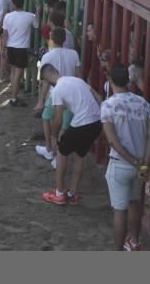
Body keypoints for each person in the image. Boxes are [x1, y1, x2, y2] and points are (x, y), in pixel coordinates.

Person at [101, 64, 150, 251]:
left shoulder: (108, 105)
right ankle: (134, 242)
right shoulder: (143, 103)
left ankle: (118, 251)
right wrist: (144, 163)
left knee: (120, 210)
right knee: (134, 203)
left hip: (120, 164)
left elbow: (112, 141)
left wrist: (132, 160)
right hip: (139, 166)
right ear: (128, 80)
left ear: (110, 80)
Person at [40, 64, 103, 205]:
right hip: (96, 122)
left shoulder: (57, 90)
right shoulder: (77, 80)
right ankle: (73, 193)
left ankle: (59, 193)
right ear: (57, 71)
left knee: (62, 153)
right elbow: (98, 98)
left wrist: (54, 136)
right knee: (80, 155)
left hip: (81, 122)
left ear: (46, 80)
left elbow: (58, 118)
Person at [36, 27, 81, 164]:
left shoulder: (47, 56)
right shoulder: (74, 54)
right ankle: (58, 154)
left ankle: (50, 149)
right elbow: (79, 76)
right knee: (65, 126)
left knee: (46, 118)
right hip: (72, 93)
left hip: (54, 93)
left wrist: (40, 101)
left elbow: (45, 82)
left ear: (52, 39)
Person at [1, 0, 38, 107]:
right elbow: (37, 25)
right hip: (22, 49)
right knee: (18, 74)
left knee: (13, 72)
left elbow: (5, 35)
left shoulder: (8, 16)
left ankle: (14, 95)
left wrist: (3, 48)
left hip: (11, 47)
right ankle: (13, 98)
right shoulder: (30, 16)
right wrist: (38, 11)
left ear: (14, 3)